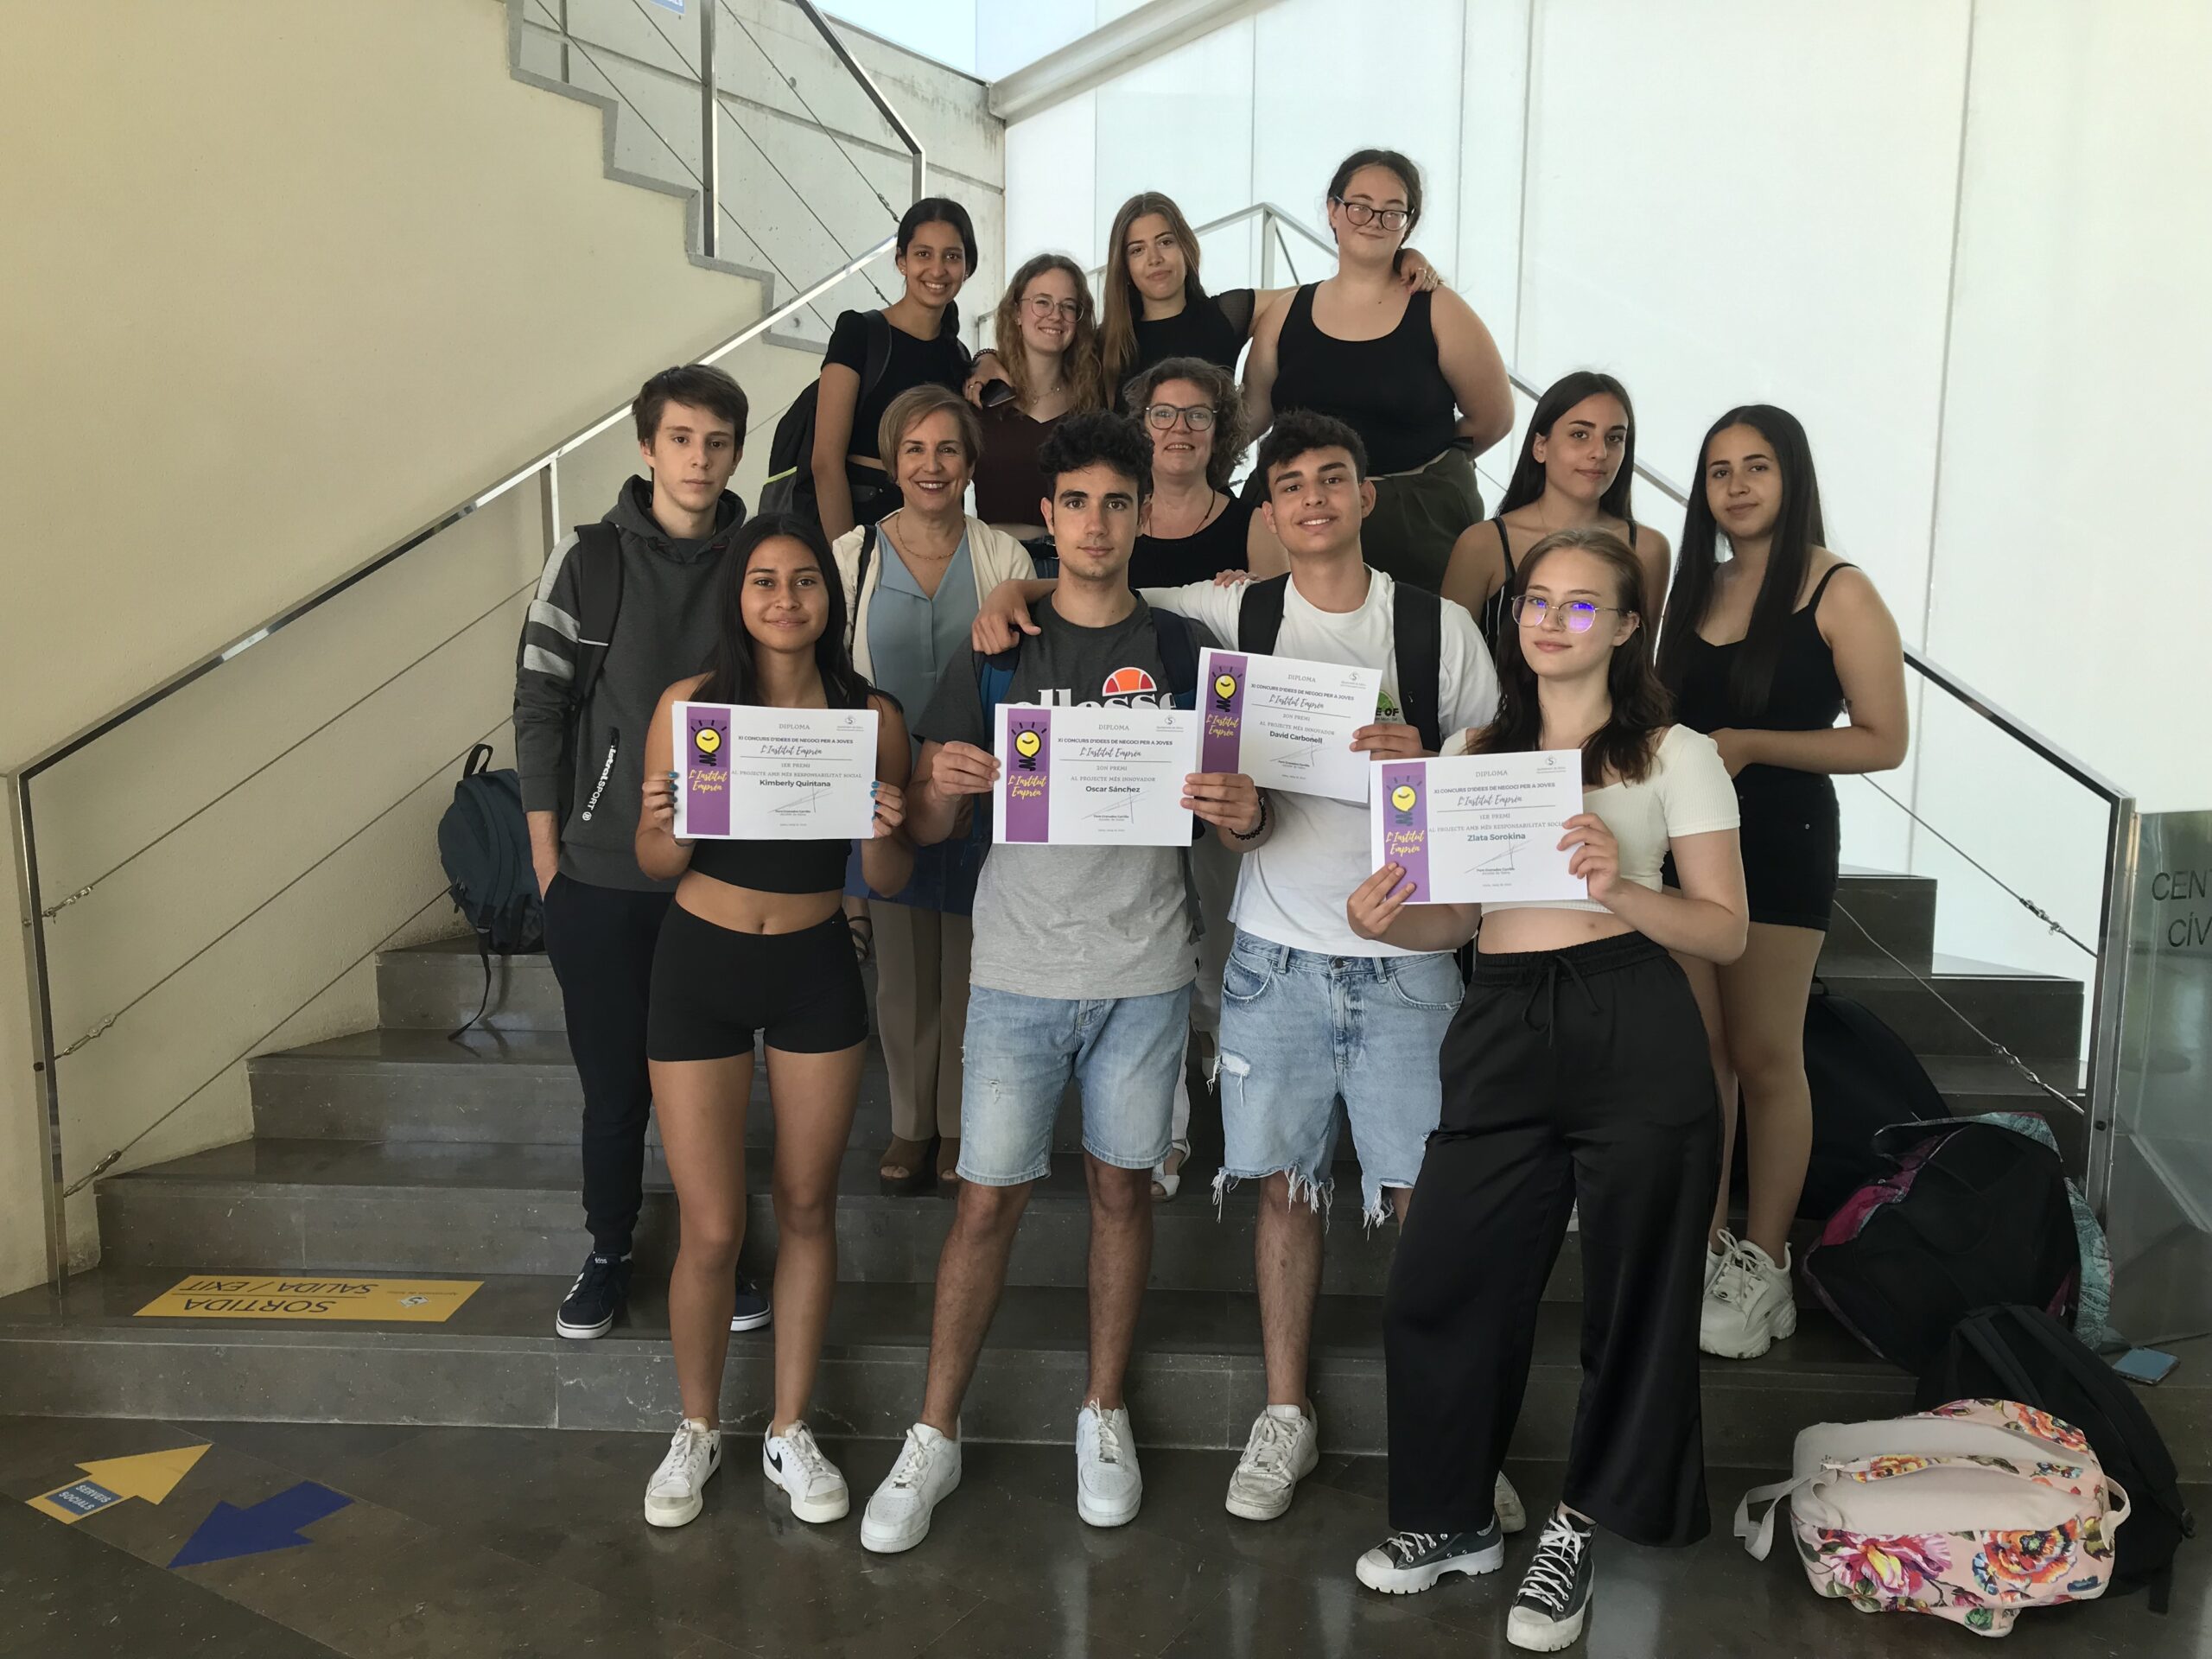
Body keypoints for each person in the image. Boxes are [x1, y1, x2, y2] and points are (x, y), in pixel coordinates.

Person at [970, 409, 1504, 1525]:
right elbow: (1101, 585)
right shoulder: (1232, 612)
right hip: (1271, 954)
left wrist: (1433, 762)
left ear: (1365, 496)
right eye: (1291, 484)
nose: (1312, 499)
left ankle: (1457, 1435)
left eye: (1333, 478)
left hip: (1408, 956)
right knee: (1283, 1193)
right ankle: (1283, 1413)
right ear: (1267, 512)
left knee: (1430, 1207)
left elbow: (1499, 774)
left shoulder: (1439, 628)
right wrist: (1013, 589)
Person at [1348, 528, 1747, 1653]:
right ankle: (1454, 1518)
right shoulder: (1473, 751)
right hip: (1502, 1018)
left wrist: (1618, 885)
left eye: (1581, 604)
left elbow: (1724, 931)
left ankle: (1577, 1526)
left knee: (1636, 1295)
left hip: (1633, 1015)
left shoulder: (1675, 753)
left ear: (1625, 627)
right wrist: (1383, 922)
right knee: (1442, 1279)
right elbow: (1451, 920)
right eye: (1536, 600)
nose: (1552, 620)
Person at [858, 411, 1243, 1553]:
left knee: (1122, 1194)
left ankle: (1102, 1411)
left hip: (1146, 970)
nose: (1096, 524)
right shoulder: (998, 646)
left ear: (1142, 514)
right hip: (1019, 968)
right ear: (1048, 517)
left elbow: (1234, 812)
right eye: (1075, 503)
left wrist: (1238, 807)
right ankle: (933, 1431)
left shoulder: (1183, 650)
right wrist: (942, 782)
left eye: (1117, 503)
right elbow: (930, 822)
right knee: (986, 1202)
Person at [632, 514, 913, 1530]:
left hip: (812, 967)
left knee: (804, 1206)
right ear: (737, 597)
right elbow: (654, 862)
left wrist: (885, 826)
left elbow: (889, 876)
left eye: (804, 581)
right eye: (764, 581)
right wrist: (667, 820)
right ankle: (697, 1426)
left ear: (829, 600)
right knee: (711, 1225)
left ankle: (790, 1428)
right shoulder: (691, 707)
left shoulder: (869, 716)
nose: (786, 599)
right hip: (699, 965)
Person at [512, 364, 771, 1343]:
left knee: (717, 1085)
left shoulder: (761, 558)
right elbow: (539, 708)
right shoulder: (587, 560)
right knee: (615, 1088)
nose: (698, 459)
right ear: (646, 448)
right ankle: (609, 1250)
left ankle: (723, 1248)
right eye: (680, 439)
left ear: (737, 453)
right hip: (600, 874)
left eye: (717, 442)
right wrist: (549, 862)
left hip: (725, 876)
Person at [1654, 406, 1908, 1361]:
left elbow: (1883, 740)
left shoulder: (1838, 588)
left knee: (1765, 1055)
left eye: (1756, 466)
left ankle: (1765, 1261)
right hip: (1686, 842)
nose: (1736, 486)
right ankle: (1708, 1243)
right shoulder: (1696, 586)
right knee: (1702, 1058)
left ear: (1791, 476)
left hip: (1780, 837)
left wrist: (1751, 745)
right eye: (1719, 470)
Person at [830, 385, 1039, 1195]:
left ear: (971, 464)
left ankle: (959, 1124)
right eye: (914, 449)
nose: (931, 465)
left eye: (948, 449)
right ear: (891, 461)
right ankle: (911, 1124)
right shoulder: (851, 556)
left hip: (978, 785)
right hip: (884, 789)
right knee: (902, 973)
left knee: (971, 968)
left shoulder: (1003, 558)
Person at [1242, 149, 1514, 593]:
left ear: (1408, 224)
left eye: (1392, 212)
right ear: (1333, 210)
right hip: (1299, 520)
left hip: (1415, 527)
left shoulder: (1440, 309)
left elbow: (1494, 418)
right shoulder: (1285, 312)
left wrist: (1419, 462)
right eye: (1360, 206)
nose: (1374, 221)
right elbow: (1251, 416)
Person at [1121, 354, 1254, 1197]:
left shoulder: (1253, 523)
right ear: (1140, 427)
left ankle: (1241, 1119)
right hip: (1125, 759)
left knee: (1225, 946)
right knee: (1153, 947)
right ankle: (1163, 1131)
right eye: (1163, 414)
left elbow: (1278, 633)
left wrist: (1247, 595)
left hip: (1221, 753)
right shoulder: (1114, 512)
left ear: (1220, 430)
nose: (1179, 429)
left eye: (1198, 415)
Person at [965, 191, 1439, 405]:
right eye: (1137, 250)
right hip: (1132, 513)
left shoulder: (1228, 313)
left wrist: (1398, 257)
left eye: (1165, 242)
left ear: (1186, 247)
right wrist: (985, 359)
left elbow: (1331, 290)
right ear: (1124, 265)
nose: (1155, 259)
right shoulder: (1106, 341)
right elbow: (1033, 355)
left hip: (1207, 499)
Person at [1440, 370, 1669, 651]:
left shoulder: (1648, 549)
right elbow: (1446, 662)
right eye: (1580, 434)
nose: (1599, 452)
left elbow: (1642, 663)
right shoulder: (1482, 545)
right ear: (1540, 446)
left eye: (1614, 438)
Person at [810, 197, 979, 543]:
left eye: (951, 256)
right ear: (902, 261)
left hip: (937, 531)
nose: (937, 270)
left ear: (967, 267)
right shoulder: (860, 333)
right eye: (923, 254)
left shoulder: (958, 356)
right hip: (863, 521)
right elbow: (825, 462)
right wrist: (847, 558)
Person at [970, 254, 1108, 539]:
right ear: (1016, 313)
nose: (1056, 315)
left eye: (1068, 306)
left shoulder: (1093, 402)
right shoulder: (981, 395)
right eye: (1042, 302)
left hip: (1070, 558)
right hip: (993, 558)